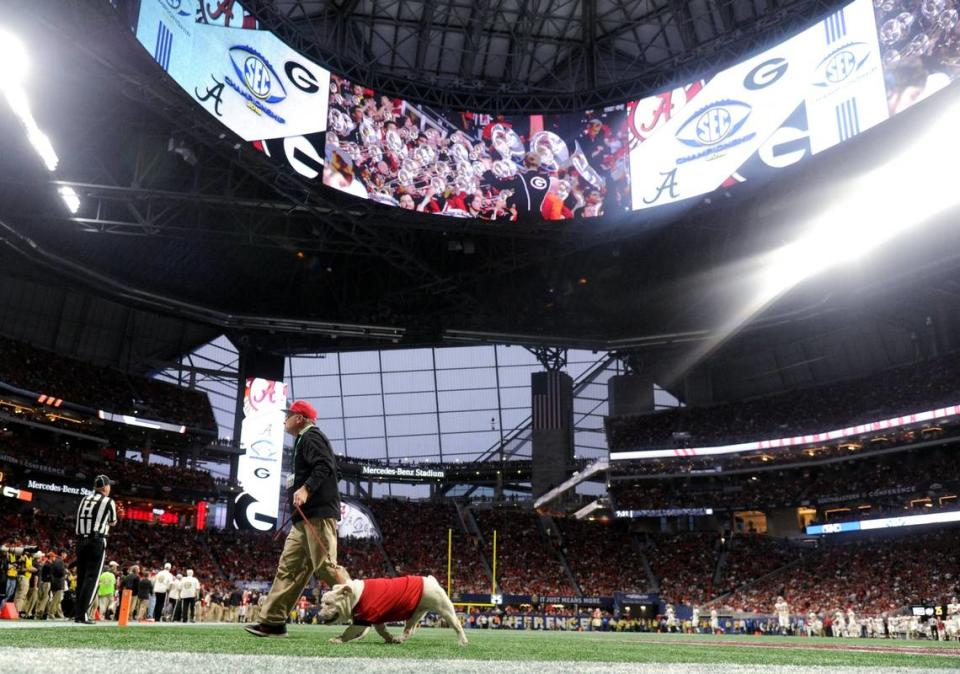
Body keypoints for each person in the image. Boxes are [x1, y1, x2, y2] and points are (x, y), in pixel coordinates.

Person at [245, 400, 350, 638]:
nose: (285, 419)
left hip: (318, 516)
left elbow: (325, 466)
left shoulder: (312, 436)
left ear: (300, 418)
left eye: (289, 415)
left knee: (326, 567)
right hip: (303, 519)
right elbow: (336, 470)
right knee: (289, 568)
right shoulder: (303, 439)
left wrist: (307, 489)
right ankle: (272, 622)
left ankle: (363, 612)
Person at [74, 475, 119, 624]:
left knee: (81, 577)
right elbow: (113, 522)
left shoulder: (84, 499)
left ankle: (77, 613)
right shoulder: (108, 501)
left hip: (80, 541)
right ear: (105, 487)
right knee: (92, 578)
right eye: (109, 486)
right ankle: (82, 614)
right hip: (96, 540)